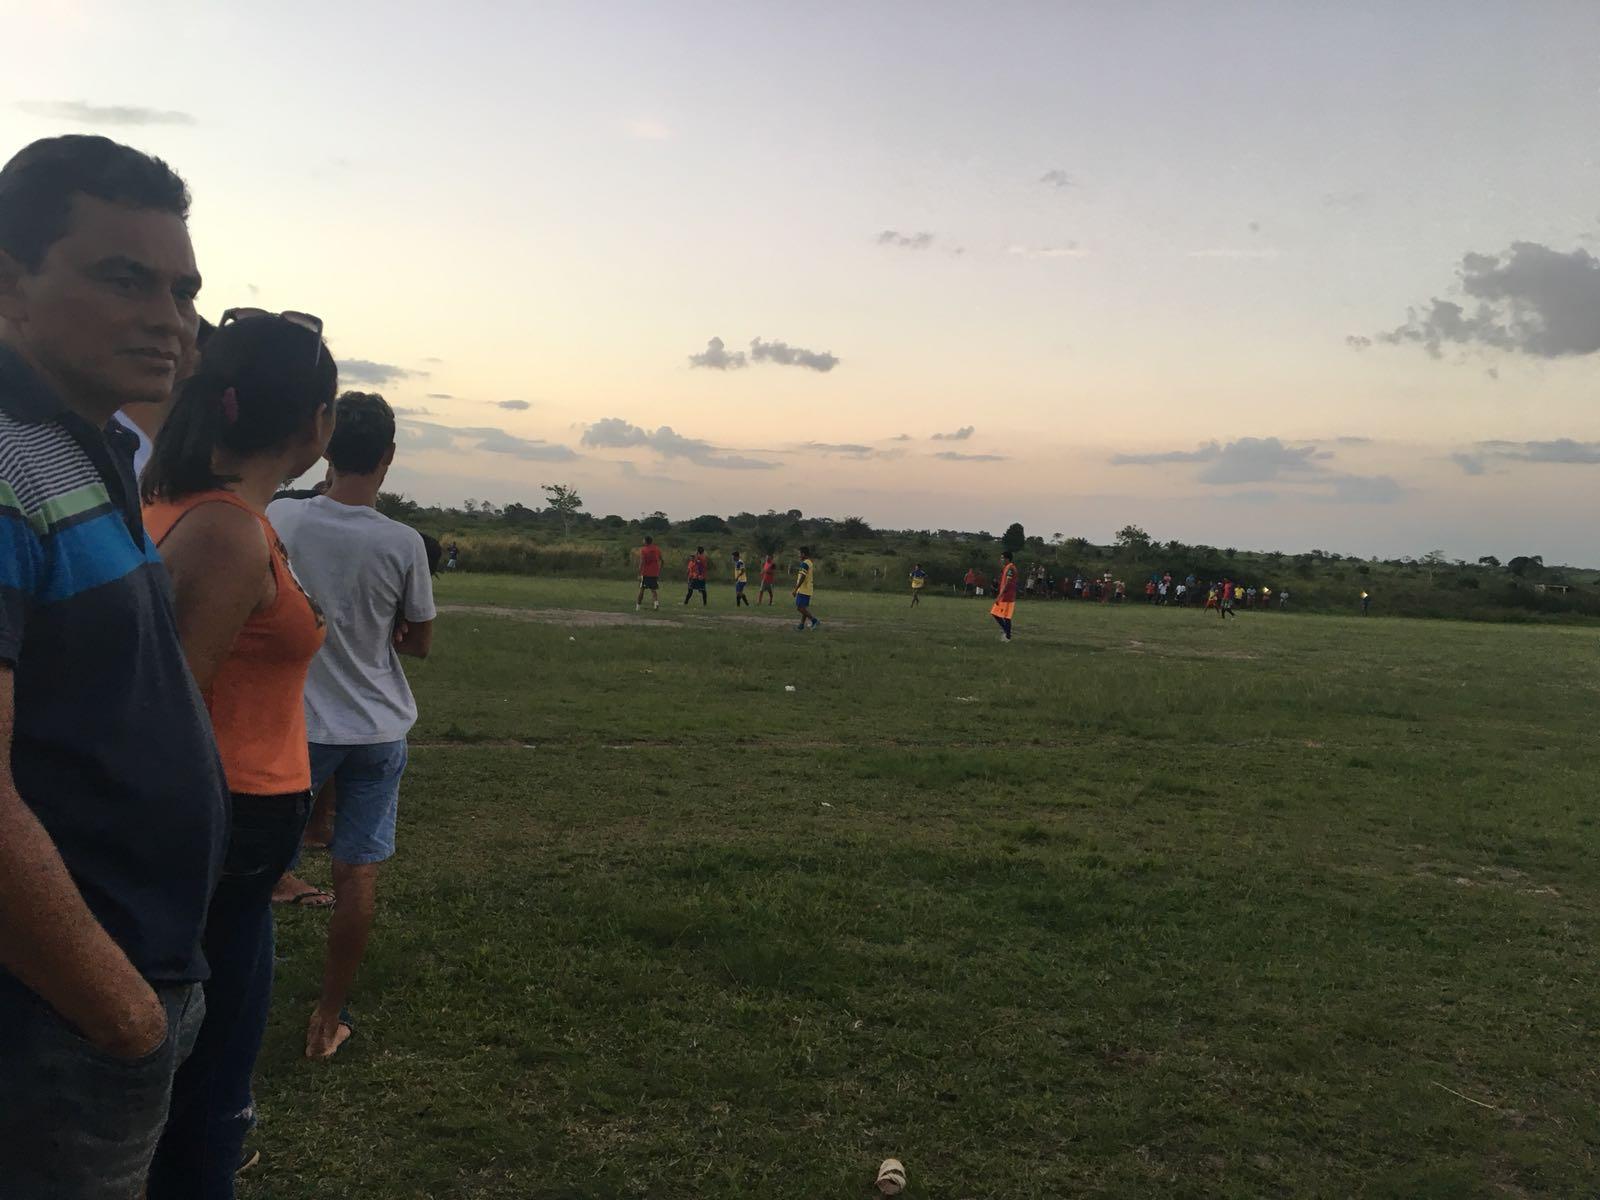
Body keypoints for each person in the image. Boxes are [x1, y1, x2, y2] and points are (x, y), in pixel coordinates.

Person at [0, 134, 228, 1198]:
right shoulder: (5, 463)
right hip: (58, 1009)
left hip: (116, 986)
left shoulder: (85, 449)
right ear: (11, 285)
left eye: (181, 289)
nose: (169, 318)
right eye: (122, 278)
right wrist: (120, 1011)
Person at [142, 310, 336, 1194]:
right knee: (210, 1088)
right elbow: (169, 706)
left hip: (234, 837)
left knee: (206, 1066)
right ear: (316, 427)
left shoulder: (179, 502)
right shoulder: (224, 530)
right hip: (220, 827)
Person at [267, 391, 436, 1062]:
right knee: (356, 875)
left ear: (326, 443)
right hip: (377, 731)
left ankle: (231, 999)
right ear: (389, 458)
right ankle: (327, 1018)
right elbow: (419, 642)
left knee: (248, 874)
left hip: (296, 728)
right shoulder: (403, 542)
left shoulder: (282, 515)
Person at [991, 550, 1018, 641]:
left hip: (1008, 596)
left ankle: (1008, 636)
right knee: (995, 613)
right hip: (1004, 596)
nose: (1001, 559)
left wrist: (999, 595)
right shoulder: (1006, 567)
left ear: (1007, 559)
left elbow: (1007, 583)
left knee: (1006, 616)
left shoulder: (1011, 568)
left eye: (1002, 558)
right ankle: (1006, 631)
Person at [793, 546, 820, 630]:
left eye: (800, 554)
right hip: (808, 589)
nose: (799, 556)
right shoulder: (809, 562)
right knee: (803, 607)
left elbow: (802, 577)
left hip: (803, 589)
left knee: (799, 607)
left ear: (803, 554)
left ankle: (814, 620)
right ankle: (801, 625)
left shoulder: (804, 563)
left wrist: (796, 589)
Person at [635, 534, 661, 611]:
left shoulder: (644, 550)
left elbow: (642, 561)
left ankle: (638, 606)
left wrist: (639, 572)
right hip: (655, 572)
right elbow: (660, 559)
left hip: (646, 572)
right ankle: (656, 604)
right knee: (653, 589)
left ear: (646, 541)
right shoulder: (657, 549)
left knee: (642, 589)